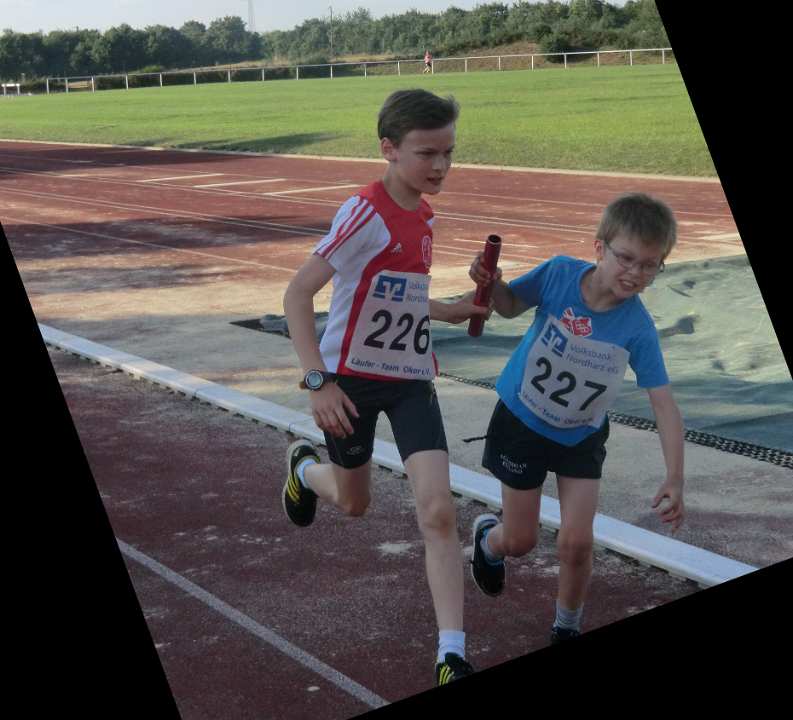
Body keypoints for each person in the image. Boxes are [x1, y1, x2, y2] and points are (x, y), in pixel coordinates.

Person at [282, 88, 488, 685]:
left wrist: (451, 308)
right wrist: (318, 381)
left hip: (409, 380)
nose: (441, 166)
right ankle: (304, 471)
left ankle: (451, 655)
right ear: (389, 149)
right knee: (354, 504)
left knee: (439, 511)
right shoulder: (363, 213)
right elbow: (297, 295)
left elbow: (402, 294)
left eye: (449, 152)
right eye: (427, 154)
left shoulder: (424, 214)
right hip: (348, 385)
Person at [467, 192, 686, 645]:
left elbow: (663, 403)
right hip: (522, 421)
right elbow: (508, 305)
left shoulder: (637, 328)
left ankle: (566, 625)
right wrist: (492, 281)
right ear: (599, 247)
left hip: (580, 436)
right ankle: (488, 540)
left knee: (577, 542)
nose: (635, 273)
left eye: (650, 265)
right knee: (520, 541)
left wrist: (675, 477)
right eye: (626, 258)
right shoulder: (559, 274)